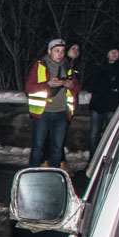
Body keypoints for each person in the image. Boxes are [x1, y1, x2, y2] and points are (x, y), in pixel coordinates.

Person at [25, 38, 80, 171]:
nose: (60, 54)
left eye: (62, 51)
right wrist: (47, 84)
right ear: (50, 51)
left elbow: (76, 87)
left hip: (61, 113)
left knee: (57, 147)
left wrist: (71, 85)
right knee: (38, 146)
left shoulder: (67, 66)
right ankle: (32, 174)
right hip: (43, 113)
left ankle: (54, 175)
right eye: (56, 51)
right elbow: (28, 88)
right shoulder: (40, 65)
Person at [84, 47, 119, 158]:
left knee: (111, 135)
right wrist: (108, 85)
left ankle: (108, 159)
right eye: (111, 51)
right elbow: (90, 85)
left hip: (112, 108)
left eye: (116, 52)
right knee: (94, 136)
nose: (113, 54)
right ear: (107, 54)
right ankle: (93, 160)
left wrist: (105, 85)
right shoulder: (99, 68)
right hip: (97, 107)